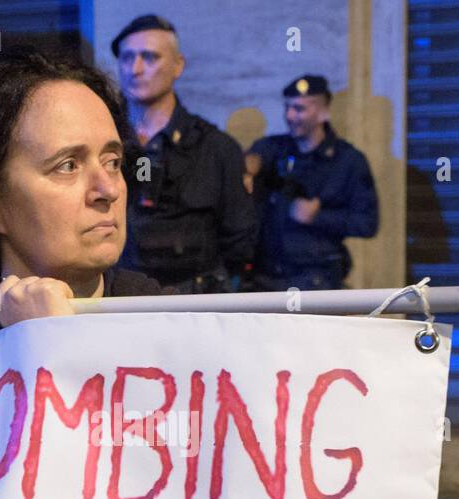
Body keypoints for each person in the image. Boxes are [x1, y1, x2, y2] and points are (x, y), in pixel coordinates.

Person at [0, 47, 165, 327]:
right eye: (68, 165)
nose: (108, 190)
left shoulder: (175, 325)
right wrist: (36, 339)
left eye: (112, 162)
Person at [111, 14, 256, 293]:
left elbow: (240, 240)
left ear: (178, 66)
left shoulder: (215, 147)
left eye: (149, 57)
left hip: (196, 303)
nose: (135, 68)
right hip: (117, 302)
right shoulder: (103, 143)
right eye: (127, 58)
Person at [245, 74, 378, 291]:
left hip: (317, 281)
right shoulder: (274, 147)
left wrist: (318, 217)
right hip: (265, 280)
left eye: (299, 109)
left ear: (323, 112)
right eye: (287, 107)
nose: (290, 115)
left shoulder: (348, 160)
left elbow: (367, 223)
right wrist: (247, 170)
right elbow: (253, 159)